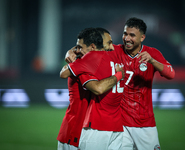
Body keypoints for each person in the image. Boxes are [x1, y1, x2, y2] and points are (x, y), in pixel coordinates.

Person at [113, 17, 175, 150]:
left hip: (145, 123)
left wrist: (152, 61)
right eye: (125, 34)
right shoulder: (115, 51)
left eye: (132, 35)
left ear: (142, 38)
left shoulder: (152, 53)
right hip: (121, 123)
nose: (127, 38)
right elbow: (92, 49)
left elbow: (171, 74)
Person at [57, 27, 124, 150]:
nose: (111, 47)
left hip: (89, 127)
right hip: (73, 130)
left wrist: (70, 51)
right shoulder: (84, 63)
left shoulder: (96, 61)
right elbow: (97, 88)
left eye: (79, 47)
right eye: (108, 43)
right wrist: (119, 75)